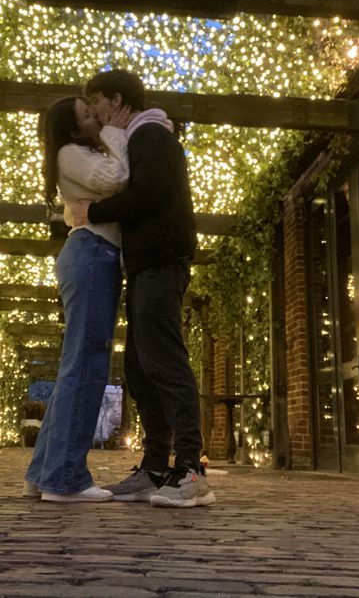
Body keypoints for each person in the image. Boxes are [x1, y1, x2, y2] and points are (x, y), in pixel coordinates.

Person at [68, 69, 215, 508]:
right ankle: (154, 468)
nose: (93, 112)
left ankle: (191, 469)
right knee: (139, 365)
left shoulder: (151, 135)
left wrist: (90, 210)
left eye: (96, 102)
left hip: (162, 260)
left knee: (164, 360)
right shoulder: (139, 139)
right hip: (147, 263)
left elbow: (148, 195)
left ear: (117, 99)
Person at [23, 95, 131, 503]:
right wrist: (116, 132)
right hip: (92, 254)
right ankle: (65, 479)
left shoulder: (75, 152)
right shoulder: (71, 152)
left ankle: (44, 473)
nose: (95, 119)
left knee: (77, 365)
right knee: (86, 365)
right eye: (87, 116)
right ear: (72, 129)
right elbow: (117, 179)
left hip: (91, 254)